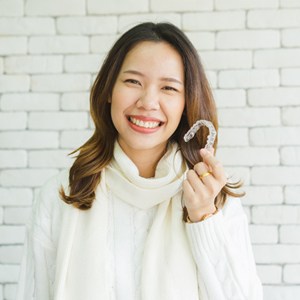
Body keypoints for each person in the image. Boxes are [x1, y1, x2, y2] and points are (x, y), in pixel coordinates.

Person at [16, 22, 263, 300]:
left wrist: (204, 218)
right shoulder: (62, 194)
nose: (148, 101)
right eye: (133, 81)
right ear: (109, 90)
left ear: (185, 103)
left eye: (169, 88)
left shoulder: (214, 197)